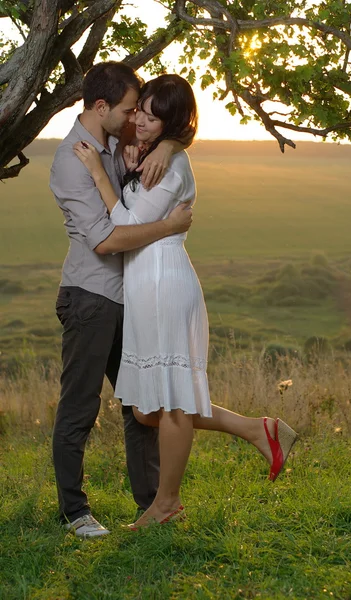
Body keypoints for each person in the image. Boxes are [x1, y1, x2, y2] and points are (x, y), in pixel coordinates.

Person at [74, 73, 298, 531]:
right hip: (146, 287)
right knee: (147, 409)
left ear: (172, 123)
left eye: (153, 118)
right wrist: (159, 144)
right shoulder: (150, 154)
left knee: (171, 406)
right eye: (140, 111)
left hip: (163, 284)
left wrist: (100, 174)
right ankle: (258, 429)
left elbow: (128, 222)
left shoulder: (171, 166)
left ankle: (166, 502)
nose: (140, 121)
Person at [50, 62, 194, 538]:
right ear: (101, 107)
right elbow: (107, 240)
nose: (137, 119)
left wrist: (172, 142)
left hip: (129, 297)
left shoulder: (119, 143)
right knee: (80, 409)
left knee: (141, 406)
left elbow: (170, 121)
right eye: (131, 110)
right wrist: (170, 228)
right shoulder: (73, 160)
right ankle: (75, 511)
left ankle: (154, 505)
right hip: (91, 297)